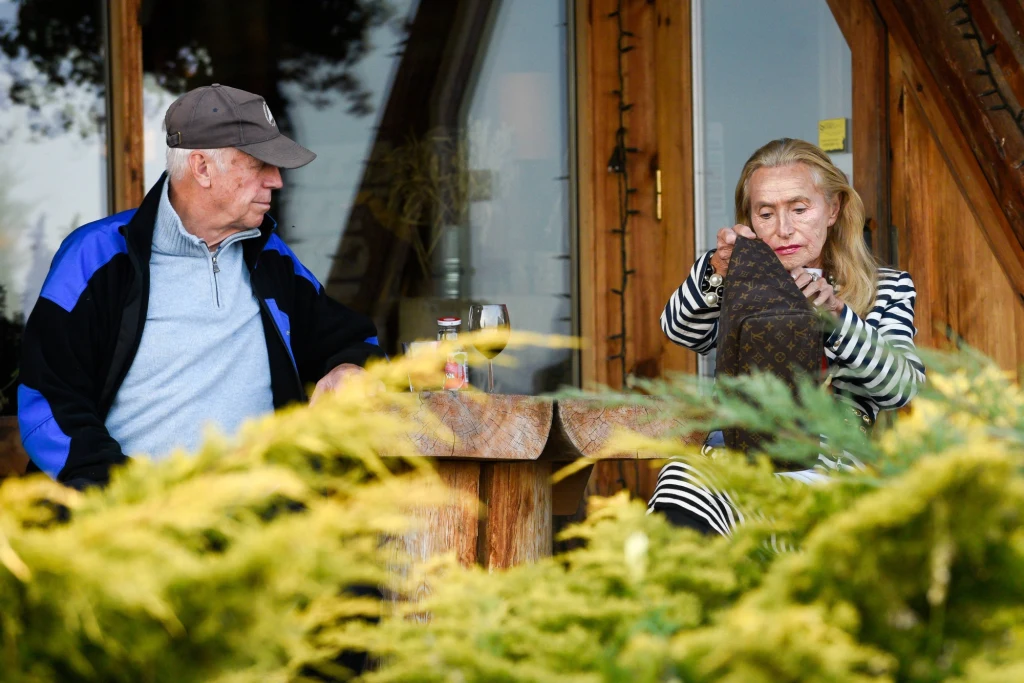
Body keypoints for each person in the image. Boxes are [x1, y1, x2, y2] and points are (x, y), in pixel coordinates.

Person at [18, 84, 386, 490]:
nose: (277, 181)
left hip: (259, 525)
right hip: (128, 527)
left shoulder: (270, 256)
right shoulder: (99, 256)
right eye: (259, 163)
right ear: (202, 167)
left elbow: (350, 339)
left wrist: (348, 367)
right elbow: (47, 399)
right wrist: (119, 497)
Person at [648, 138, 926, 536]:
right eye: (766, 213)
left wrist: (837, 320)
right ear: (750, 221)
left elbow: (902, 387)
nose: (783, 229)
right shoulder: (734, 277)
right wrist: (717, 272)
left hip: (832, 464)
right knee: (683, 478)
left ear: (832, 209)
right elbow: (679, 329)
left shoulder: (886, 288)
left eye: (799, 208)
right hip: (738, 453)